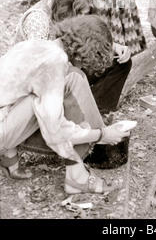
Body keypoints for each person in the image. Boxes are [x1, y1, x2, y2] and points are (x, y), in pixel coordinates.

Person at [0, 14, 130, 195]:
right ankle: (78, 178)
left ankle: (75, 172)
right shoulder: (55, 61)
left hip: (6, 118)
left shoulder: (40, 46)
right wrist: (100, 135)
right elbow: (54, 131)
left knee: (69, 80)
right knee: (67, 86)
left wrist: (11, 161)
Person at [14, 0, 132, 115]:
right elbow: (42, 70)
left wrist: (111, 46)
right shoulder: (37, 19)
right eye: (79, 13)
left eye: (86, 14)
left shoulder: (70, 9)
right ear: (67, 7)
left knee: (118, 61)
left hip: (66, 66)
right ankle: (77, 115)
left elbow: (82, 37)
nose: (82, 18)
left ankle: (95, 111)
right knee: (75, 75)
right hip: (38, 82)